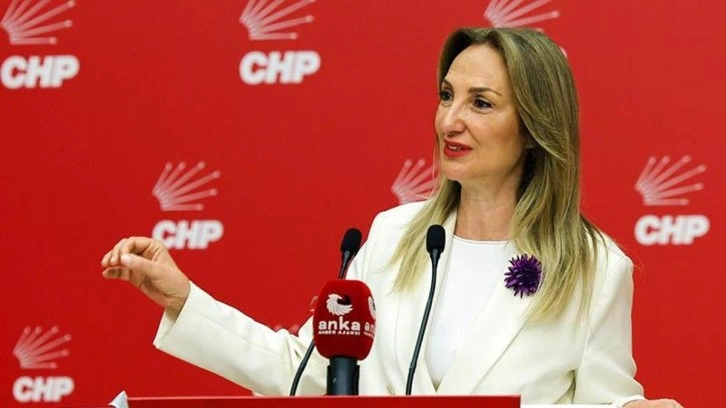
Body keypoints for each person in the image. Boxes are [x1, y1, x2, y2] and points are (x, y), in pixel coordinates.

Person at [101, 27, 683, 407]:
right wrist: (185, 300)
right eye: (446, 95)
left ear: (534, 128)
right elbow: (311, 376)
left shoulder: (593, 268)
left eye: (481, 103)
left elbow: (608, 401)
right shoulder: (394, 236)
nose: (450, 120)